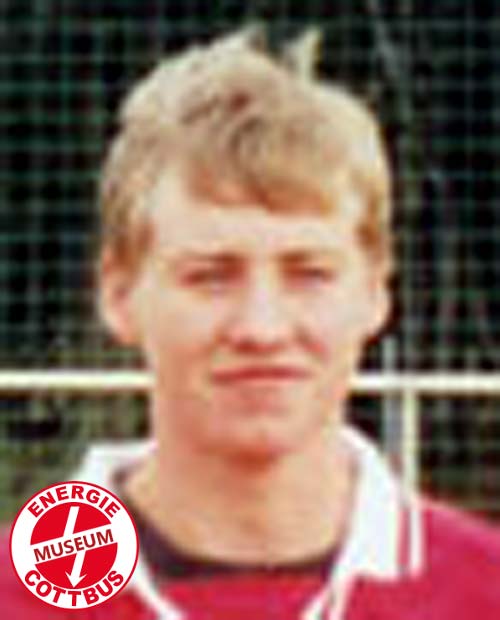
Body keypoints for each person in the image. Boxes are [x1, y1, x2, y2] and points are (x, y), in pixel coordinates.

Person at [2, 27, 499, 619]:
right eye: (211, 276)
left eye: (309, 274)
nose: (262, 329)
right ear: (118, 293)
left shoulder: (481, 590)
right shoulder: (17, 594)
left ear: (374, 291)